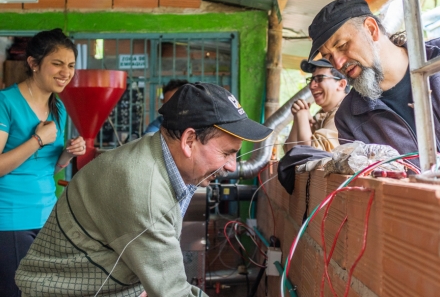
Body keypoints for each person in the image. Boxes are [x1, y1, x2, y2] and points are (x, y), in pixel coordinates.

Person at [15, 82, 273, 297]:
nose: (231, 166)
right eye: (227, 153)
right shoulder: (144, 189)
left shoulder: (159, 154)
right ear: (189, 140)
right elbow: (173, 292)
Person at [0, 29, 86, 297]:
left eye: (71, 65)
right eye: (57, 63)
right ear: (34, 64)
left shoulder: (57, 108)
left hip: (48, 218)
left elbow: (50, 167)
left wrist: (69, 154)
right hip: (11, 218)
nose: (66, 72)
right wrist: (37, 139)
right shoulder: (6, 102)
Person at [307, 0, 440, 156]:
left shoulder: (436, 62)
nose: (338, 63)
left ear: (371, 29)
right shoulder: (348, 117)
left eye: (342, 45)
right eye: (328, 56)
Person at [284, 58, 348, 153]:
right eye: (312, 79)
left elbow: (312, 154)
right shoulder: (322, 115)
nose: (311, 86)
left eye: (320, 78)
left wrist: (302, 116)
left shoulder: (345, 113)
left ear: (341, 84)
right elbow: (290, 151)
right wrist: (299, 117)